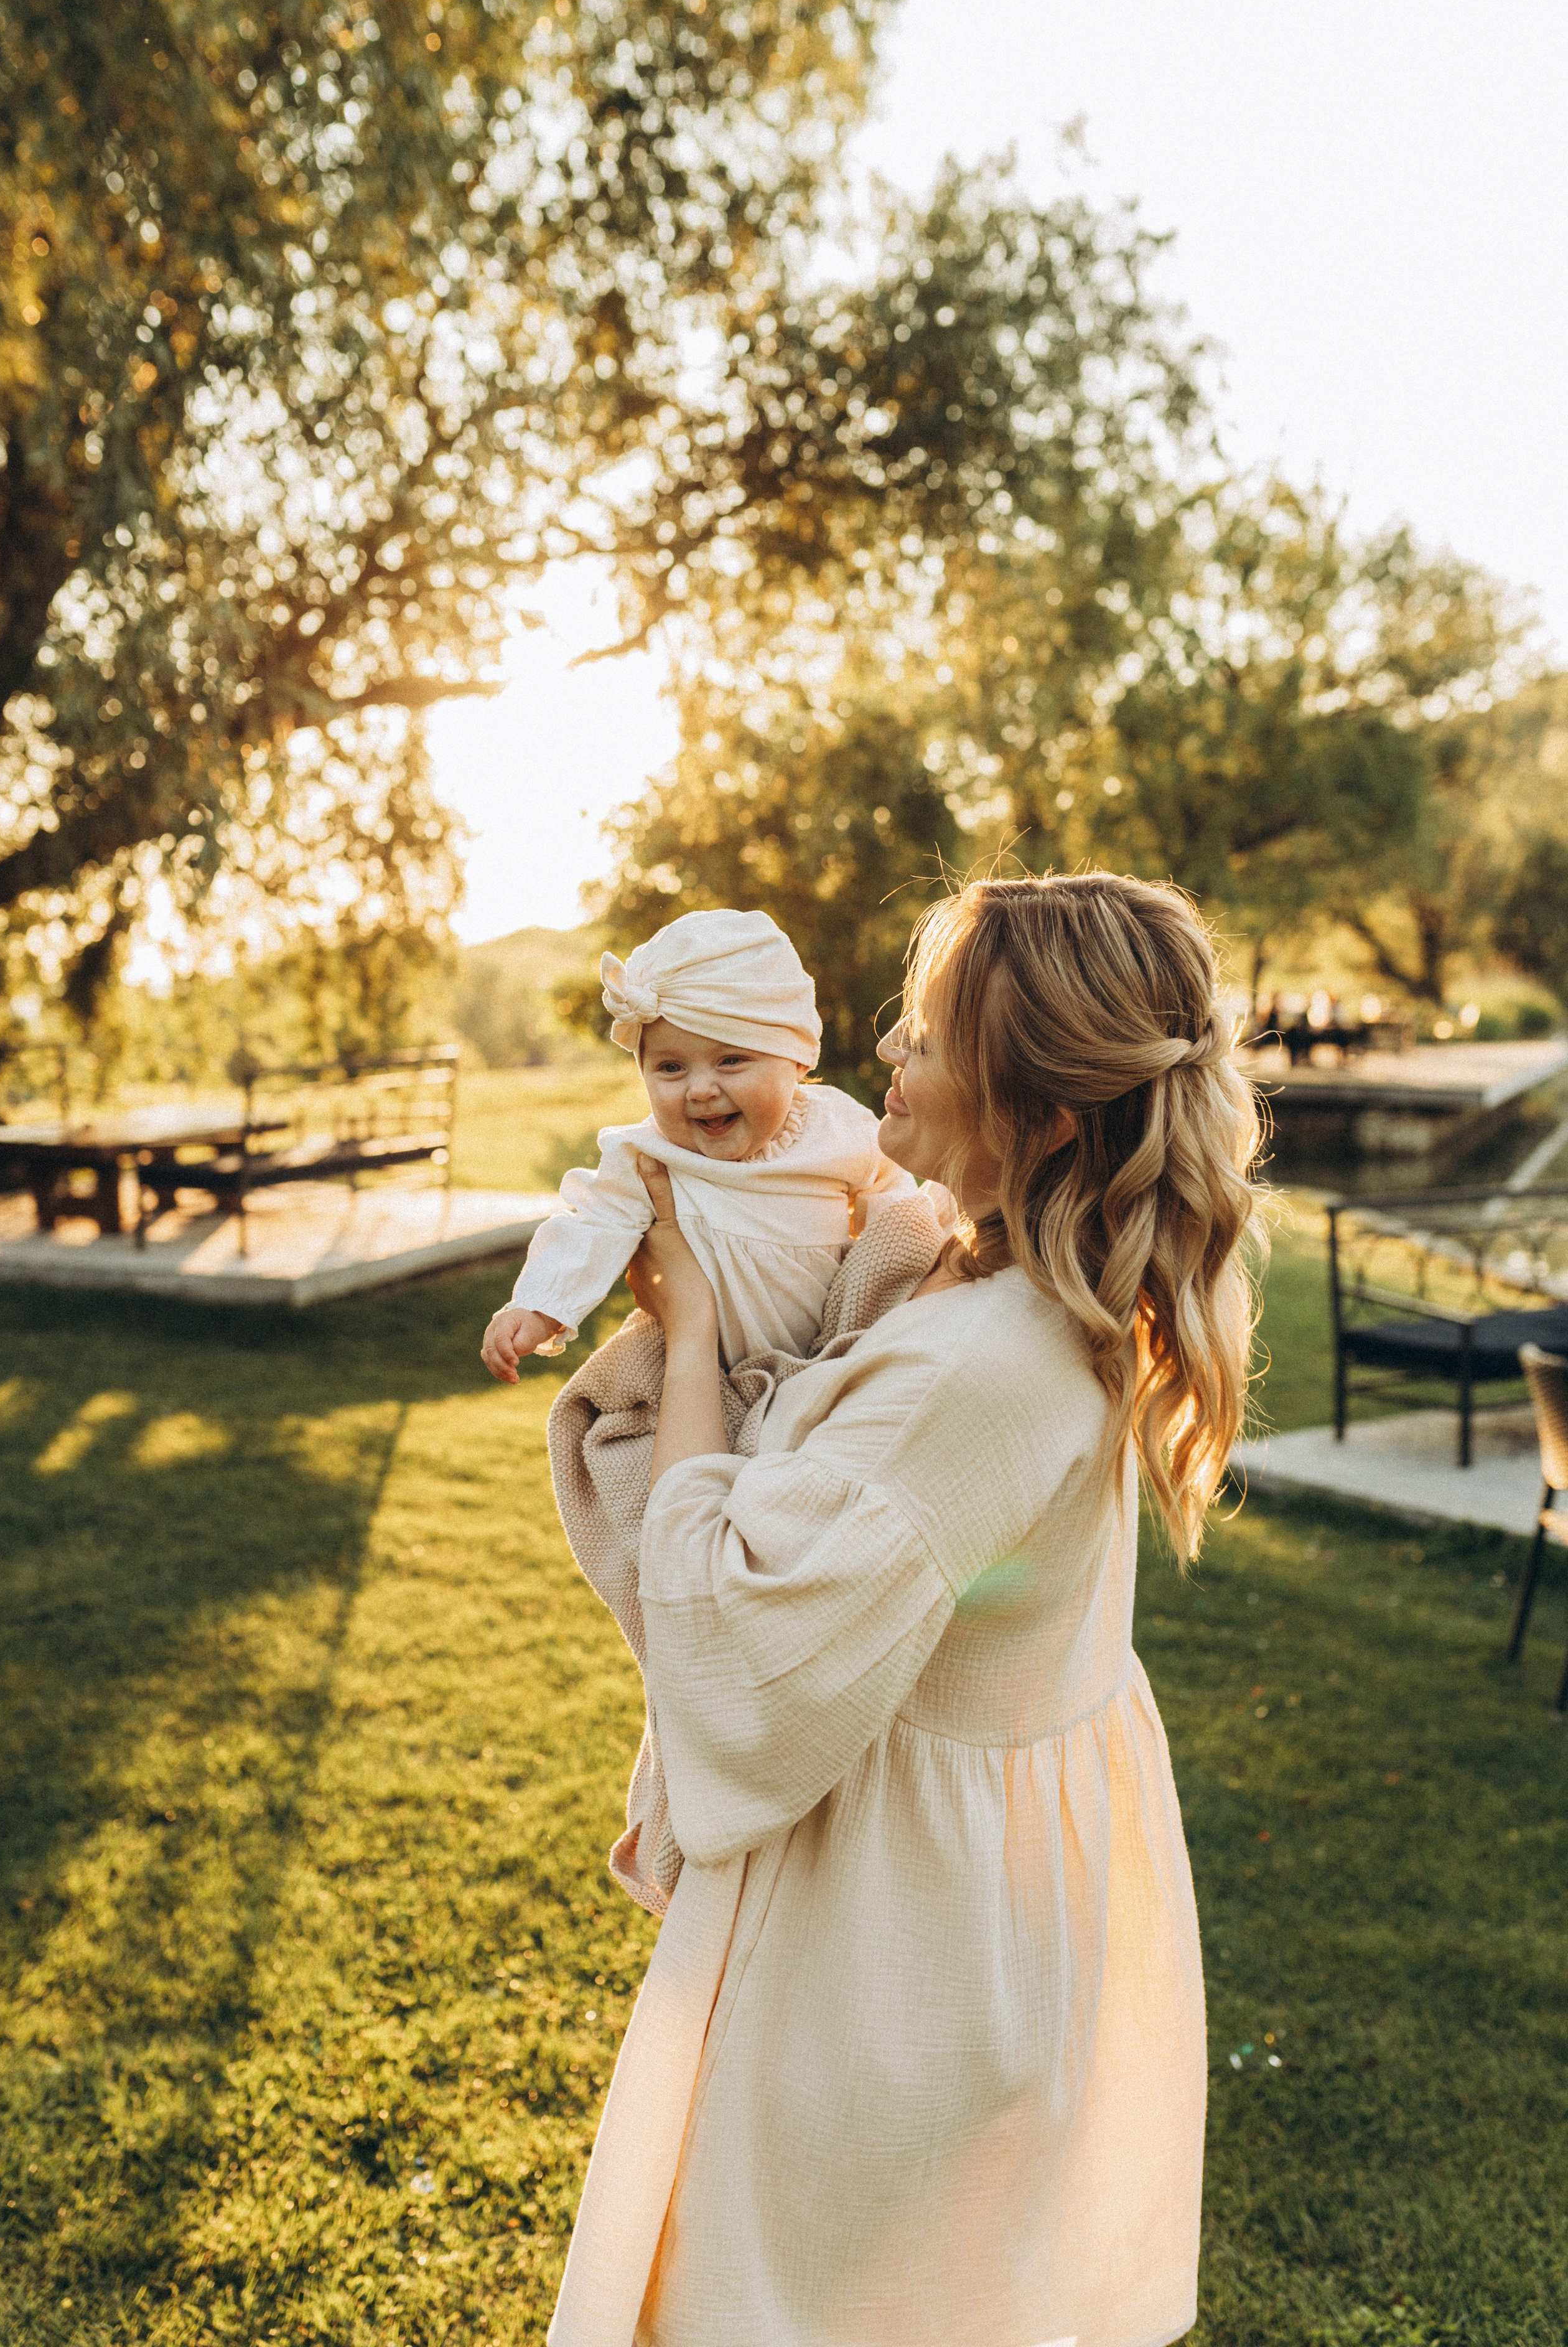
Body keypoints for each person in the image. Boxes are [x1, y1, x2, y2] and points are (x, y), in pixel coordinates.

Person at [546, 871, 1262, 2347]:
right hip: (983, 1901)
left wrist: (684, 1341)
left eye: (926, 1034)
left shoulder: (972, 1369)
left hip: (895, 1953)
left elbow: (733, 1652)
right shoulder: (995, 1269)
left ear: (1046, 1113)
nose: (882, 1055)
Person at [481, 907, 913, 1378]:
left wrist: (901, 1266)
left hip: (833, 1360)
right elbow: (592, 1228)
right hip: (710, 1378)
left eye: (730, 1060)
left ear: (797, 1059)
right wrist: (538, 1309)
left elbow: (896, 1199)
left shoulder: (836, 1127)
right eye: (671, 1068)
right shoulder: (648, 1158)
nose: (700, 1089)